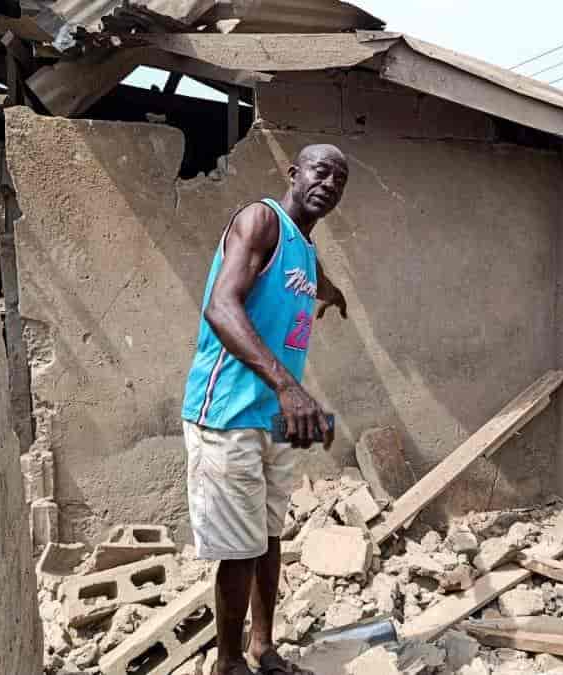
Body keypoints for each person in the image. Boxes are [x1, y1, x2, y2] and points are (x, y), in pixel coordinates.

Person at [181, 144, 350, 675]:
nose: (330, 183)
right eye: (321, 171)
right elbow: (220, 305)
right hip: (228, 414)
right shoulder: (261, 220)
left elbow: (312, 278)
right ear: (293, 173)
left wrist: (335, 295)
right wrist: (287, 386)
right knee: (240, 549)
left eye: (340, 179)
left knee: (268, 535)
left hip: (275, 421)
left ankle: (262, 647)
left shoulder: (304, 247)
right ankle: (228, 663)